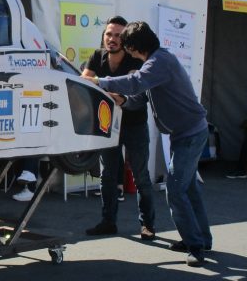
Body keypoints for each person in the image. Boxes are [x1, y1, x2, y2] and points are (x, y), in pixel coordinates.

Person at [88, 21, 211, 267]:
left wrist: (100, 82)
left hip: (190, 134)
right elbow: (140, 95)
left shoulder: (159, 62)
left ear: (135, 46)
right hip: (185, 133)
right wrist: (123, 101)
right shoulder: (156, 62)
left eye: (126, 43)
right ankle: (201, 239)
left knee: (175, 189)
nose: (124, 47)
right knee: (188, 189)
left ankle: (196, 246)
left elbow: (135, 83)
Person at [82, 16, 156, 240]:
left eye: (117, 35)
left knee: (141, 176)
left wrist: (122, 99)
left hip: (135, 125)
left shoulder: (137, 61)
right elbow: (84, 83)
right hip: (108, 126)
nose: (112, 39)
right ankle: (108, 222)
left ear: (126, 40)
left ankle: (147, 224)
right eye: (108, 34)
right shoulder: (97, 56)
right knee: (107, 176)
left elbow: (142, 96)